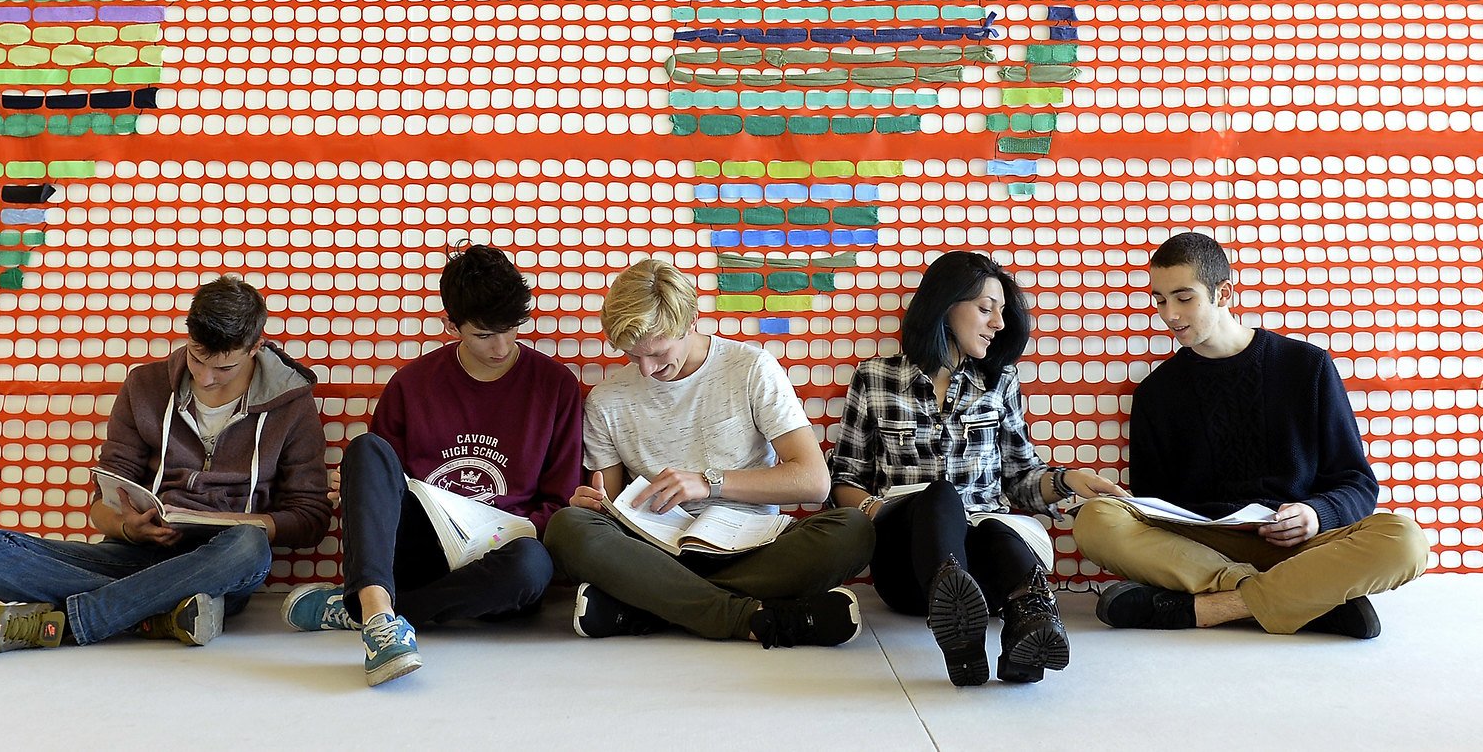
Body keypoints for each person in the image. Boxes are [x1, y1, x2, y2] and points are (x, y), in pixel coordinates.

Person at [1073, 231, 1429, 639]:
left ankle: (1209, 609)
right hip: (1201, 549)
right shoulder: (1156, 393)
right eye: (1160, 300)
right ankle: (1308, 603)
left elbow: (1357, 483)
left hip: (1300, 547)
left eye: (1184, 298)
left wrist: (1315, 515)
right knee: (1096, 520)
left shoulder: (1306, 367)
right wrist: (1133, 505)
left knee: (1406, 541)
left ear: (1223, 293)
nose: (1169, 314)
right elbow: (1155, 503)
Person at [0, 275, 331, 654]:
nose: (205, 377)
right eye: (197, 358)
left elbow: (310, 519)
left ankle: (71, 621)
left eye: (224, 367)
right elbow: (103, 503)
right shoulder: (145, 385)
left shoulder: (292, 405)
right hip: (136, 554)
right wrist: (127, 527)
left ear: (255, 347)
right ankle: (160, 615)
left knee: (250, 546)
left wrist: (231, 523)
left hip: (218, 565)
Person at [280, 244, 584, 685]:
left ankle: (368, 610)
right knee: (366, 450)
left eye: (511, 328)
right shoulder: (411, 384)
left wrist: (512, 532)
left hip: (500, 557)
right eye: (484, 335)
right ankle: (378, 612)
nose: (501, 347)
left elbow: (560, 501)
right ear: (451, 325)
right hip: (420, 548)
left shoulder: (556, 386)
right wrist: (361, 485)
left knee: (532, 565)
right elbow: (385, 489)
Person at [829, 251, 1129, 685]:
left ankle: (1026, 623)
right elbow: (844, 479)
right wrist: (875, 508)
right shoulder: (876, 377)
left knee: (994, 529)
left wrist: (1069, 480)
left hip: (983, 567)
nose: (999, 324)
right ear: (945, 305)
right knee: (940, 496)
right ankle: (953, 600)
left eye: (1002, 312)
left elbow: (1021, 479)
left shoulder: (1000, 381)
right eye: (986, 309)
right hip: (906, 566)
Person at [544, 258, 874, 647]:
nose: (647, 370)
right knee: (567, 528)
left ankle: (651, 606)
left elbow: (814, 482)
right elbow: (613, 509)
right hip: (656, 554)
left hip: (753, 548)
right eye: (633, 356)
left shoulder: (751, 368)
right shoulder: (606, 401)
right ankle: (752, 618)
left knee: (853, 531)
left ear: (690, 321)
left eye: (658, 353)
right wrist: (595, 507)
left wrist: (708, 484)